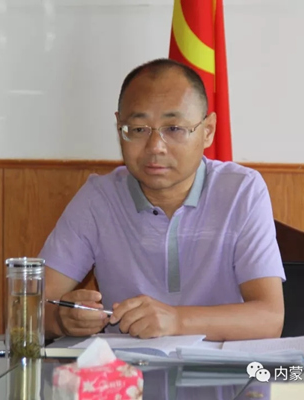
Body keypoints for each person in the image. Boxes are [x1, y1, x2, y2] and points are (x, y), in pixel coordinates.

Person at [40, 58, 285, 342]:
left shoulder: (241, 191)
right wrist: (60, 319)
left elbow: (270, 318)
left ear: (208, 131)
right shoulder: (98, 199)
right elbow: (27, 308)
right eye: (138, 129)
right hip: (128, 369)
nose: (155, 147)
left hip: (222, 369)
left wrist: (176, 320)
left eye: (174, 129)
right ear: (120, 128)